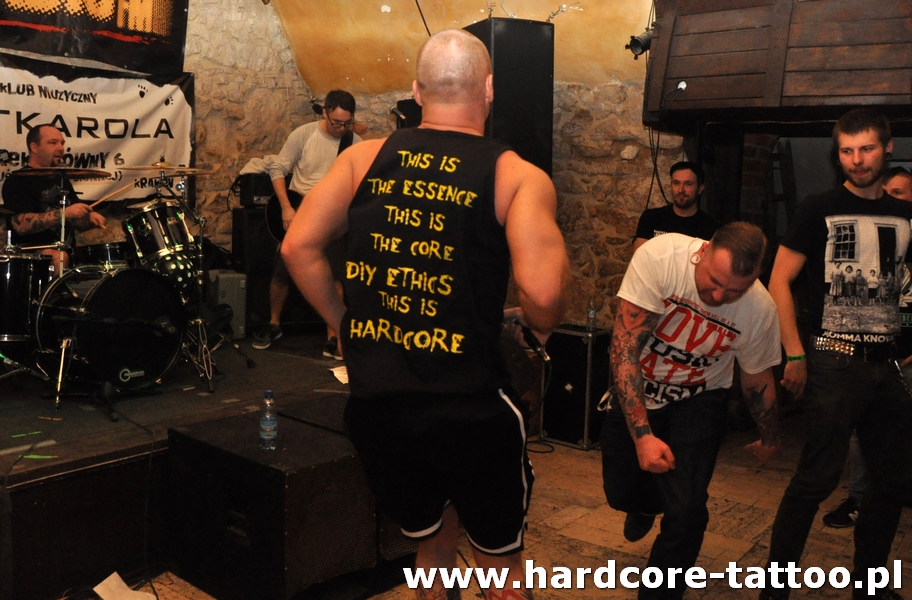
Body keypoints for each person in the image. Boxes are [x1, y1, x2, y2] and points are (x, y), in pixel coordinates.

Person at [281, 28, 569, 600]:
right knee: (501, 566)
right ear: (489, 89)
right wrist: (540, 325)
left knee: (431, 543)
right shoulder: (516, 176)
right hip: (471, 409)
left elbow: (297, 247)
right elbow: (542, 294)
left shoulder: (363, 158)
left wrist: (342, 323)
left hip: (379, 407)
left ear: (416, 91)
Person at [762, 108, 912, 600]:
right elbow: (778, 281)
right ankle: (775, 589)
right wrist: (795, 354)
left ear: (887, 148)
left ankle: (869, 587)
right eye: (847, 151)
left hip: (887, 365)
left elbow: (907, 288)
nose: (857, 160)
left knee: (889, 483)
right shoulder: (818, 208)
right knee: (816, 479)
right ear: (838, 154)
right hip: (833, 359)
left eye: (866, 148)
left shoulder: (906, 216)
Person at [601, 222, 782, 600]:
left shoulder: (759, 308)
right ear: (702, 252)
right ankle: (646, 504)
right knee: (620, 492)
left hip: (700, 398)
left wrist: (769, 436)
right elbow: (624, 349)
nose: (718, 296)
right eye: (713, 281)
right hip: (640, 386)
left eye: (734, 290)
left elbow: (756, 379)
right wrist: (643, 436)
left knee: (687, 510)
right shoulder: (660, 258)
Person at [822, 165, 912, 529]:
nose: (890, 199)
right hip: (877, 358)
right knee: (864, 437)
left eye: (899, 193)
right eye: (888, 192)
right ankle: (859, 500)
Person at [251, 90, 362, 352]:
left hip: (333, 217)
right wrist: (286, 208)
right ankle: (274, 323)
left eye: (347, 123)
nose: (341, 128)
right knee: (282, 272)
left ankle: (334, 335)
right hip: (299, 213)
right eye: (337, 122)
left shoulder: (354, 142)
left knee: (334, 276)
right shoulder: (304, 134)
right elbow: (278, 168)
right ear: (325, 112)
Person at [2, 123, 107, 272]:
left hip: (67, 252)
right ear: (34, 147)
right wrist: (64, 213)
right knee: (58, 257)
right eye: (53, 143)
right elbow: (21, 225)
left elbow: (76, 222)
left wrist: (90, 219)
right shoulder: (18, 180)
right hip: (31, 255)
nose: (60, 148)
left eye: (62, 143)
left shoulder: (61, 178)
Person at [632, 161, 719, 251]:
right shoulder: (651, 218)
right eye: (676, 183)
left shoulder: (710, 226)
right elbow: (640, 255)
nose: (681, 190)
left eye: (688, 184)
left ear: (700, 189)